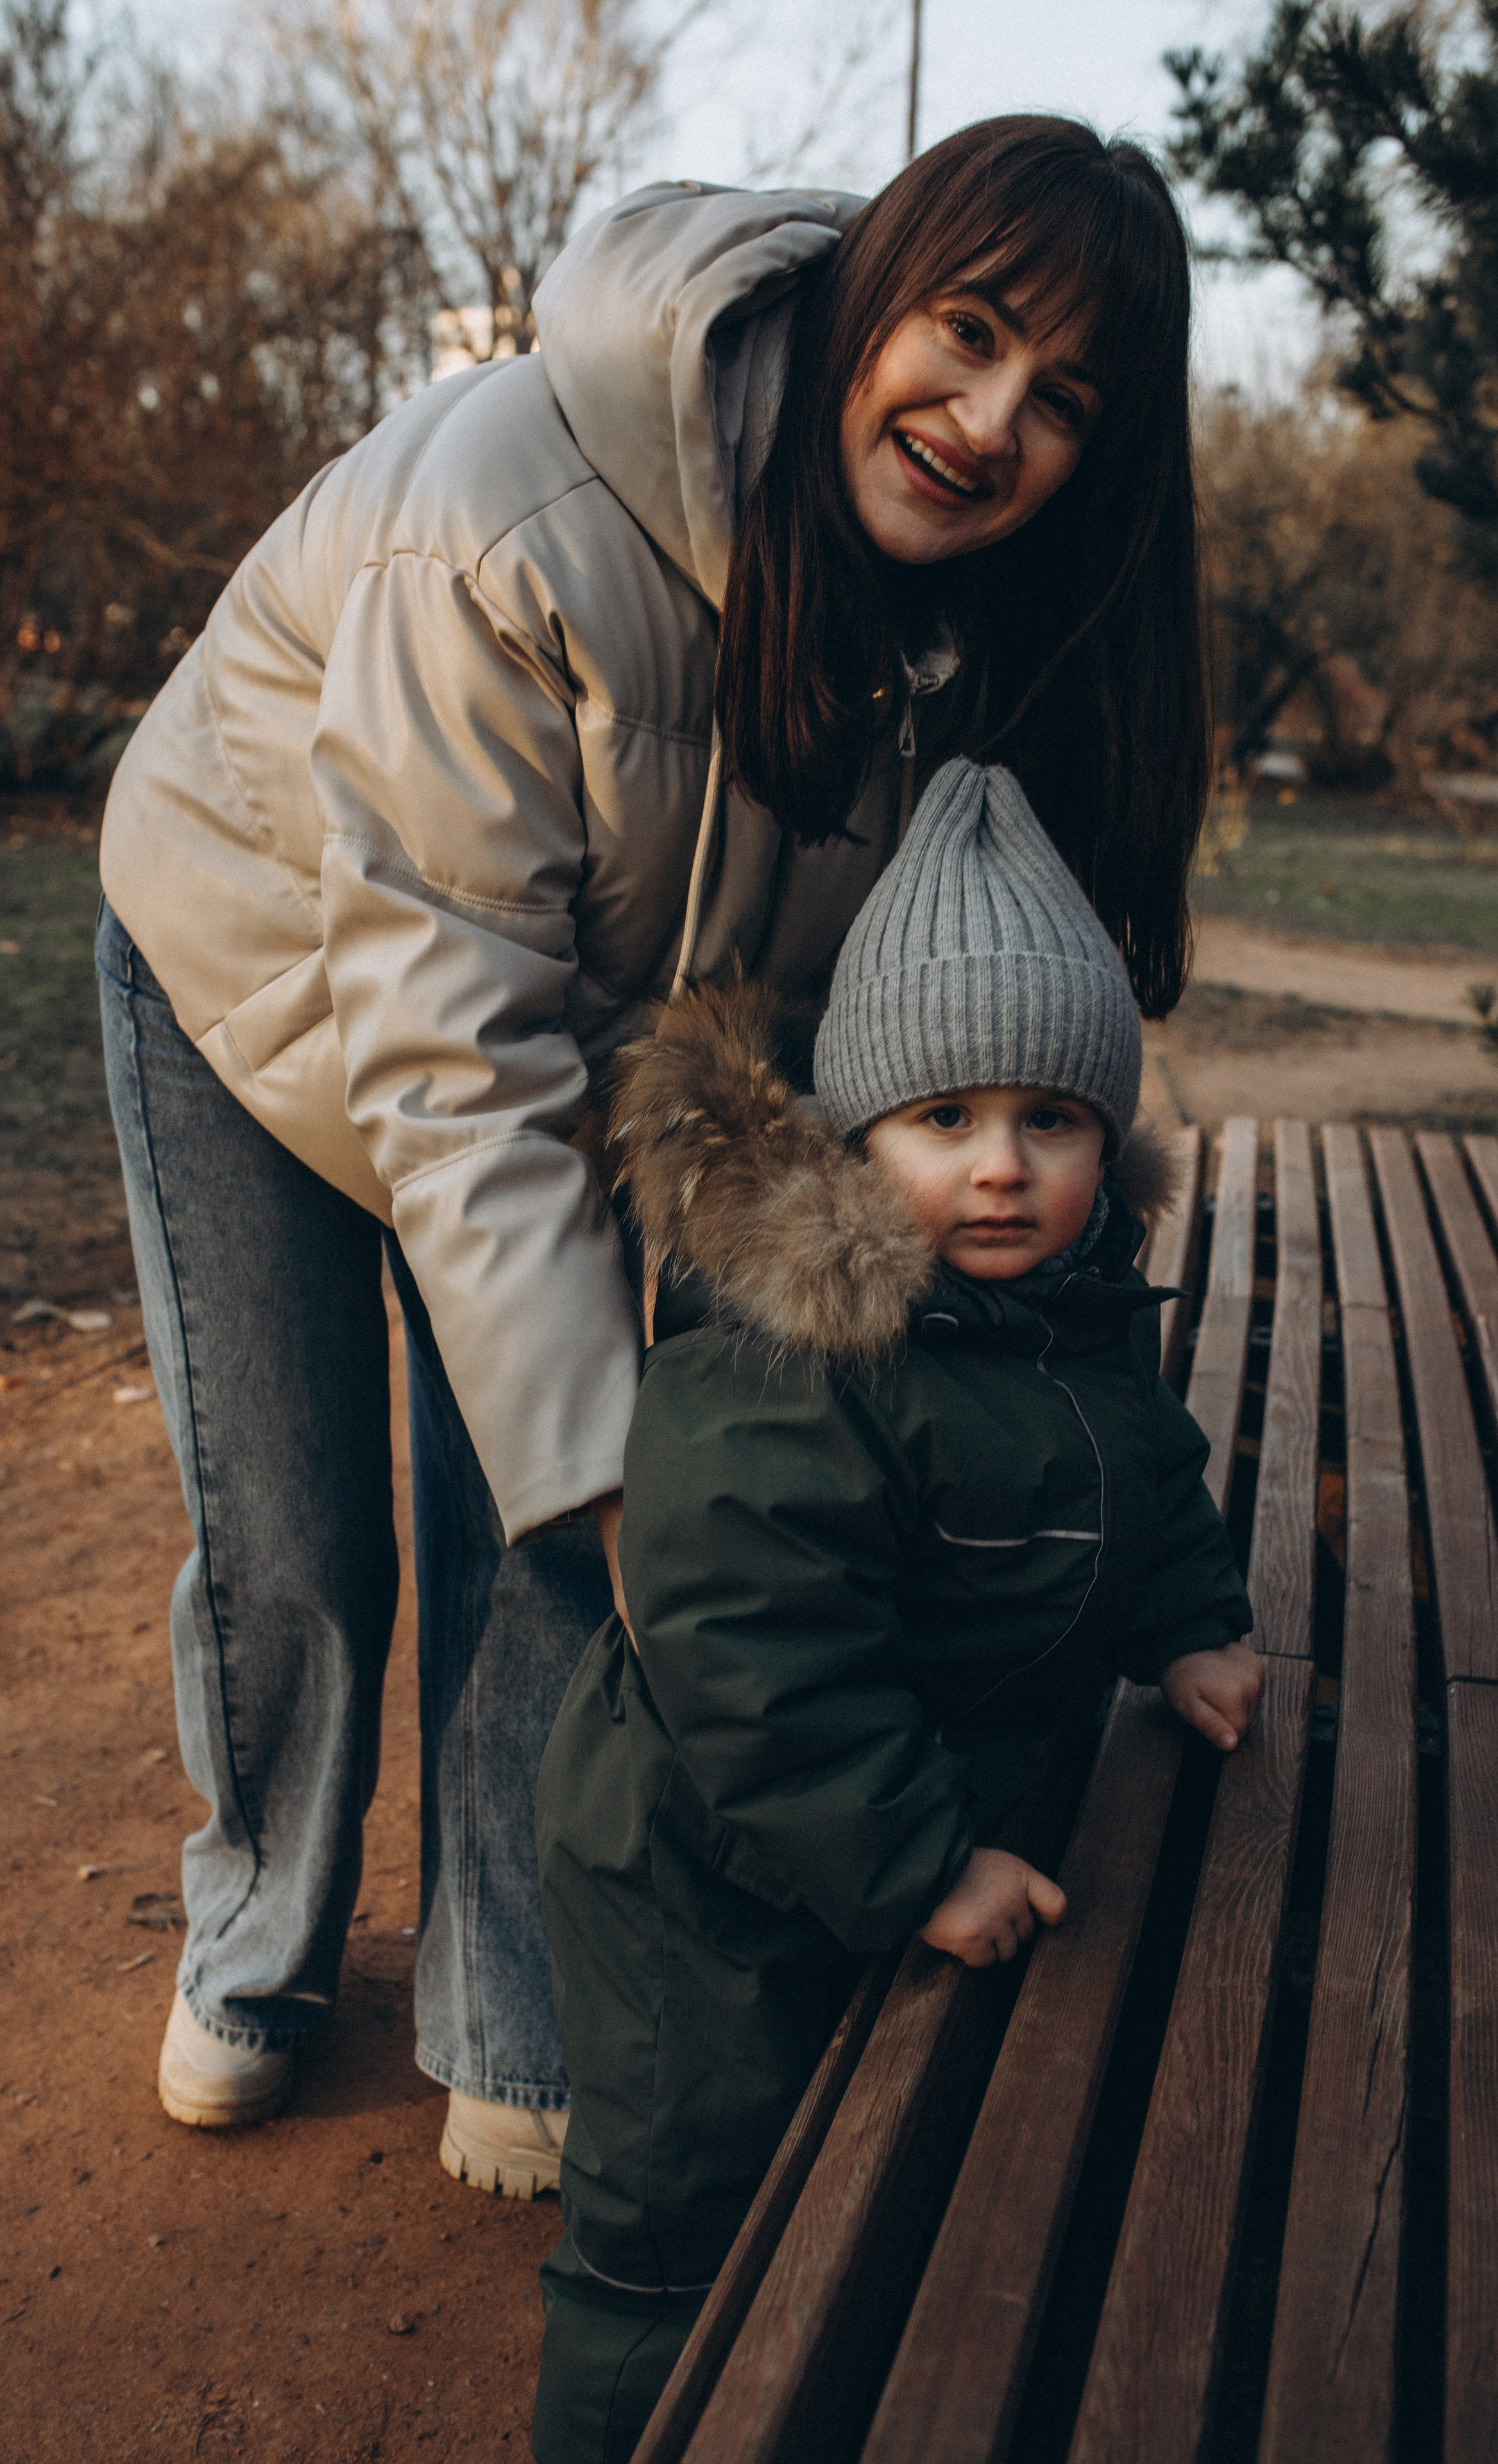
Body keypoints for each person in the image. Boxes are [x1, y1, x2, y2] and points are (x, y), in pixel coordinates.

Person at [95, 115, 1209, 2184]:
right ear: (872, 286)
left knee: (591, 1485)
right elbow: (452, 1059)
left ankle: (515, 2020)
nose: (988, 423)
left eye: (1062, 401)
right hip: (253, 956)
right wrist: (606, 1460)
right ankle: (254, 1939)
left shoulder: (968, 619)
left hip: (592, 1033)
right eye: (965, 334)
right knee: (314, 1523)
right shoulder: (515, 512)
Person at [534, 758, 1259, 2463]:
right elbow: (758, 1658)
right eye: (945, 1120)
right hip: (704, 1869)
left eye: (1051, 1119)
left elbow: (1138, 1469)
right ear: (860, 1133)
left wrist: (1192, 1623)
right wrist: (924, 1860)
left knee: (862, 2177)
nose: (1001, 1168)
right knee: (684, 2215)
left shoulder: (1066, 1305)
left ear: (1110, 1131)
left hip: (885, 1797)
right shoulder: (802, 1352)